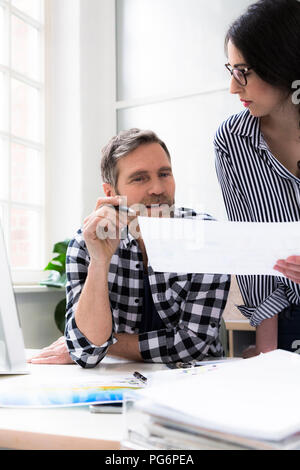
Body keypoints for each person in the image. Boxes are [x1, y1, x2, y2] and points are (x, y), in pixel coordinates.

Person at [29, 129, 230, 366]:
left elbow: (190, 346)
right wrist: (100, 261)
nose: (157, 188)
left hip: (200, 380)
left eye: (164, 174)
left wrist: (108, 343)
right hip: (118, 379)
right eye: (140, 178)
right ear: (110, 193)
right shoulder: (86, 244)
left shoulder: (206, 236)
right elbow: (86, 352)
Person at [214, 0, 300, 358]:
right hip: (288, 320)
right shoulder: (233, 142)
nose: (234, 88)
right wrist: (268, 356)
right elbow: (255, 257)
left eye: (243, 71)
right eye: (231, 70)